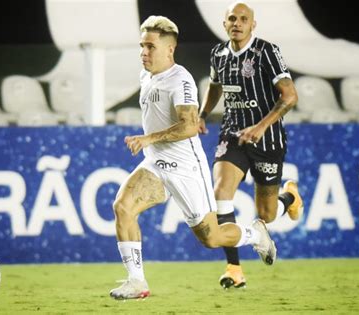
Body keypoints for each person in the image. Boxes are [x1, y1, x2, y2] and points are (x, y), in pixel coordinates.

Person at [109, 15, 277, 300]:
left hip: (186, 167)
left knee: (211, 238)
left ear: (169, 50)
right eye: (142, 46)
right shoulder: (146, 75)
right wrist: (151, 145)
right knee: (123, 207)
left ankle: (255, 236)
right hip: (155, 163)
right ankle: (137, 282)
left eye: (150, 46)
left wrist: (148, 138)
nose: (144, 52)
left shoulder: (181, 80)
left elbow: (189, 126)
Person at [198, 1, 304, 290]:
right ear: (224, 24)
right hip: (232, 134)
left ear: (252, 25)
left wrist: (260, 127)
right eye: (232, 18)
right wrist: (202, 114)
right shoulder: (218, 54)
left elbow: (290, 96)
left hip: (266, 140)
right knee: (221, 193)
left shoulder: (267, 52)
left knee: (267, 214)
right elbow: (215, 85)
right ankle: (234, 268)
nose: (237, 22)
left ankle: (290, 199)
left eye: (244, 18)